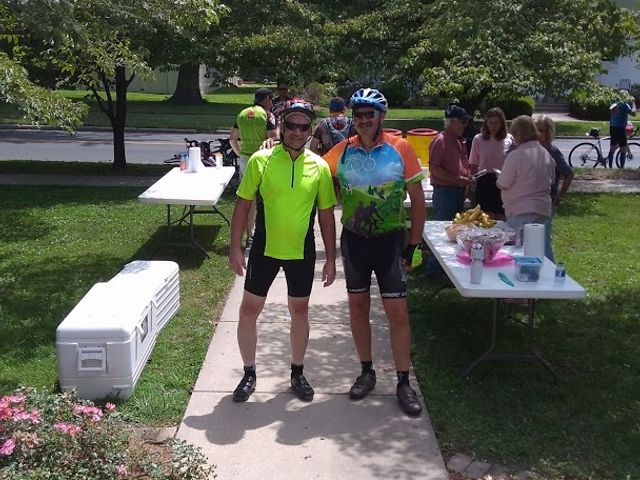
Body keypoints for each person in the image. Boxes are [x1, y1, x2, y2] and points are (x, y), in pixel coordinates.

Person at [324, 88, 426, 417]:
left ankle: (403, 381)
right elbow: (313, 168)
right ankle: (367, 371)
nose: (364, 120)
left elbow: (418, 200)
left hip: (389, 241)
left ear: (382, 116)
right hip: (354, 241)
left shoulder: (401, 148)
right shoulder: (344, 149)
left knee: (398, 313)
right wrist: (277, 146)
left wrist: (413, 244)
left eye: (370, 114)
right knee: (358, 308)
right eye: (358, 115)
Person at [228, 99, 337, 403]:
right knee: (249, 311)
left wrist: (330, 259)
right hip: (265, 249)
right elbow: (243, 205)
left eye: (304, 127)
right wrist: (235, 248)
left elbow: (327, 215)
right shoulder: (260, 160)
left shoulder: (320, 167)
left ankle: (297, 373)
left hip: (301, 251)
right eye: (291, 125)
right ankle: (249, 373)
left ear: (310, 130)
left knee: (299, 312)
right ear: (282, 126)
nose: (297, 132)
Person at [497, 115, 555, 261]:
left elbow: (503, 183)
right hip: (542, 209)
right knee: (541, 250)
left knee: (518, 252)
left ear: (518, 135)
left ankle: (524, 274)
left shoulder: (516, 156)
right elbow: (552, 179)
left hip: (520, 210)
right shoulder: (545, 153)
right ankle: (547, 273)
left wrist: (499, 176)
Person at [425, 104, 472, 276]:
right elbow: (435, 169)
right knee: (443, 231)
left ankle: (450, 267)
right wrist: (458, 180)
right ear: (452, 122)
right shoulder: (441, 140)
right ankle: (435, 269)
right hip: (445, 192)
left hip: (457, 191)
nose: (465, 125)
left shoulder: (458, 140)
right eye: (463, 122)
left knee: (456, 231)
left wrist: (466, 180)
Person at [229, 87, 279, 247]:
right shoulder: (268, 115)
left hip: (245, 160)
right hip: (263, 160)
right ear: (266, 99)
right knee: (266, 198)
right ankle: (266, 233)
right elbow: (273, 140)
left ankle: (249, 236)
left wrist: (240, 154)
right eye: (271, 99)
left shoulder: (242, 114)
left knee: (247, 199)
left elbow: (232, 139)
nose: (272, 103)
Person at [534, 115, 574, 263]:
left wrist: (560, 196)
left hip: (548, 201)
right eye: (536, 130)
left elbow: (568, 174)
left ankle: (550, 268)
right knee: (531, 238)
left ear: (549, 132)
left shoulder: (553, 151)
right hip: (532, 200)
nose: (538, 133)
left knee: (544, 237)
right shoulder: (532, 150)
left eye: (542, 130)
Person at [469, 107, 514, 219]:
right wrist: (472, 182)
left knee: (501, 215)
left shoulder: (509, 139)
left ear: (502, 124)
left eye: (496, 123)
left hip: (502, 181)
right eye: (491, 122)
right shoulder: (478, 139)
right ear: (486, 123)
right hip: (484, 181)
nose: (493, 126)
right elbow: (473, 163)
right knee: (484, 216)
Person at [607, 90, 636, 168]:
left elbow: (612, 115)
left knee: (612, 148)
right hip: (620, 128)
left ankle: (610, 167)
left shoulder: (614, 104)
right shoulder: (625, 105)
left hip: (613, 127)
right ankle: (622, 167)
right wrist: (633, 103)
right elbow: (633, 113)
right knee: (623, 149)